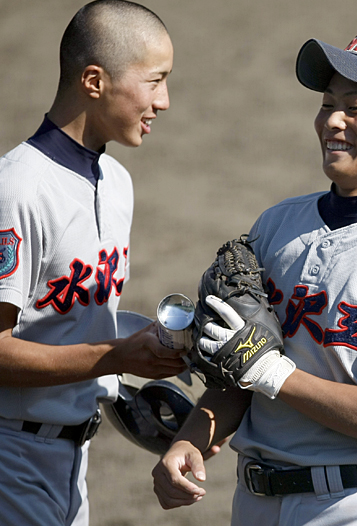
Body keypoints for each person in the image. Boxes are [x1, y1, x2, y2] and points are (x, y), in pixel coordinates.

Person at [152, 27, 357, 525]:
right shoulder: (278, 224)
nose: (333, 121)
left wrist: (278, 375)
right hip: (254, 502)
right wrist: (190, 439)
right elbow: (243, 365)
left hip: (354, 507)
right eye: (326, 104)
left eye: (354, 107)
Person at [0, 2, 185, 525]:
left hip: (73, 460)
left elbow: (73, 322)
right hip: (9, 455)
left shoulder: (118, 182)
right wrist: (117, 356)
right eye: (155, 81)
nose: (164, 101)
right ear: (94, 80)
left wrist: (159, 349)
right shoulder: (18, 190)